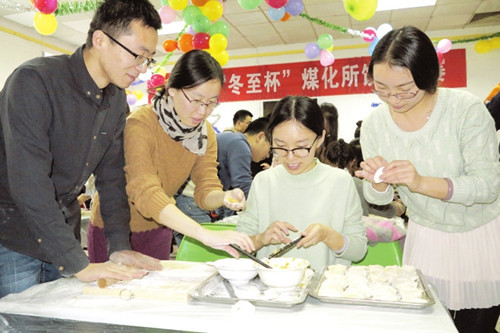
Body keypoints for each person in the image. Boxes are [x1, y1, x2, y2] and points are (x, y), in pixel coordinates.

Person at [0, 0, 164, 298]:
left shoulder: (115, 99)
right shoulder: (35, 81)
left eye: (149, 59)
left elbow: (113, 179)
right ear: (100, 39)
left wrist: (119, 246)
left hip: (62, 229)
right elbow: (29, 182)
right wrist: (79, 263)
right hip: (12, 233)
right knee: (18, 321)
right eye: (137, 55)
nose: (142, 68)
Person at [355, 26, 500, 332]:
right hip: (427, 238)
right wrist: (378, 182)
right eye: (381, 88)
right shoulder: (374, 125)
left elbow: (487, 186)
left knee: (476, 327)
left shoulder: (465, 110)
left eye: (405, 89)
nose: (393, 98)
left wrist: (420, 183)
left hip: (480, 235)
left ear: (428, 76)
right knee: (429, 325)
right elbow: (378, 198)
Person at [88, 49, 255, 261]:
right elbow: (145, 191)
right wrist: (203, 234)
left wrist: (224, 197)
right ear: (172, 89)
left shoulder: (204, 134)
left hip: (159, 228)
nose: (202, 111)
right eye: (195, 100)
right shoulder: (142, 124)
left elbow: (205, 190)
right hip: (112, 231)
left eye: (211, 103)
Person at [236, 96, 367, 272]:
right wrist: (261, 239)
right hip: (272, 290)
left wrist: (328, 235)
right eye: (280, 146)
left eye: (301, 147)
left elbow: (358, 251)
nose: (290, 157)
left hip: (323, 289)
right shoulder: (263, 181)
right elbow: (239, 246)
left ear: (320, 138)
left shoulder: (340, 182)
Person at [323, 139, 405, 218]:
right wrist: (401, 205)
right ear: (352, 162)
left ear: (325, 159)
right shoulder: (359, 185)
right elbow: (390, 212)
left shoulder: (319, 182)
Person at [215, 117, 271, 218]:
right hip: (192, 197)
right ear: (260, 137)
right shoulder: (240, 144)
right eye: (270, 149)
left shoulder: (236, 140)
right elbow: (242, 183)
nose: (268, 155)